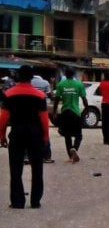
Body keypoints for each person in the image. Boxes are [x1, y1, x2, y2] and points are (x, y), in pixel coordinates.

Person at [0, 65, 50, 208]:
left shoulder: (9, 94)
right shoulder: (40, 96)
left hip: (17, 134)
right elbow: (44, 119)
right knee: (37, 168)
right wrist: (45, 137)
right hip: (35, 135)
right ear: (32, 77)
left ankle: (17, 201)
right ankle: (35, 201)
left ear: (18, 77)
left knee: (15, 169)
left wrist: (2, 135)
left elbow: (3, 118)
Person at [53, 67, 88, 162]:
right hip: (75, 112)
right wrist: (87, 110)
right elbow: (84, 99)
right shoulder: (79, 84)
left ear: (65, 74)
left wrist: (55, 111)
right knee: (79, 135)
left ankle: (70, 155)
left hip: (65, 112)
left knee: (67, 135)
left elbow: (56, 99)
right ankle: (75, 148)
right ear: (73, 75)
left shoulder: (61, 84)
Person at [30, 72, 54, 163]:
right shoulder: (45, 83)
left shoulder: (29, 82)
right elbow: (51, 96)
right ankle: (46, 156)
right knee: (44, 132)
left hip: (30, 112)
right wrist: (51, 84)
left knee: (28, 134)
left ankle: (27, 157)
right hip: (42, 109)